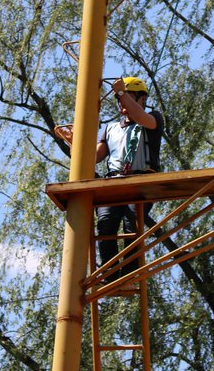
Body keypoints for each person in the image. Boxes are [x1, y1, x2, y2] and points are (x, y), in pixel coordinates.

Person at [56, 76, 163, 283]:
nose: (122, 104)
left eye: (128, 98)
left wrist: (121, 93)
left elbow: (141, 118)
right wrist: (74, 144)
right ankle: (110, 274)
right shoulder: (112, 128)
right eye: (120, 100)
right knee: (105, 225)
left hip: (140, 181)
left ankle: (130, 273)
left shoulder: (152, 119)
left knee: (132, 223)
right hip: (113, 182)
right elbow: (94, 158)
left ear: (141, 99)